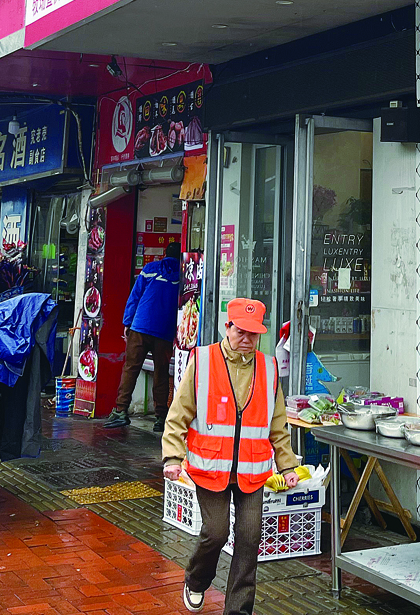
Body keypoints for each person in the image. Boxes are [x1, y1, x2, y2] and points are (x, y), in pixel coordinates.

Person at [161, 299, 300, 615]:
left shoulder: (268, 368)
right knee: (216, 532)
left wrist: (287, 465)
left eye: (254, 334)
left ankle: (238, 610)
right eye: (241, 331)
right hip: (211, 467)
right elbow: (178, 414)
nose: (247, 339)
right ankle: (197, 580)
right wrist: (172, 457)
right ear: (228, 327)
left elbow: (277, 423)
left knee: (250, 539)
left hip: (253, 470)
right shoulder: (203, 361)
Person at [104, 241, 182, 430]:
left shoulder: (150, 269)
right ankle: (161, 418)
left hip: (140, 326)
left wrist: (127, 322)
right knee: (161, 372)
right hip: (164, 331)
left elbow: (135, 296)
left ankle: (121, 411)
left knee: (131, 368)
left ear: (165, 254)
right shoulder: (183, 276)